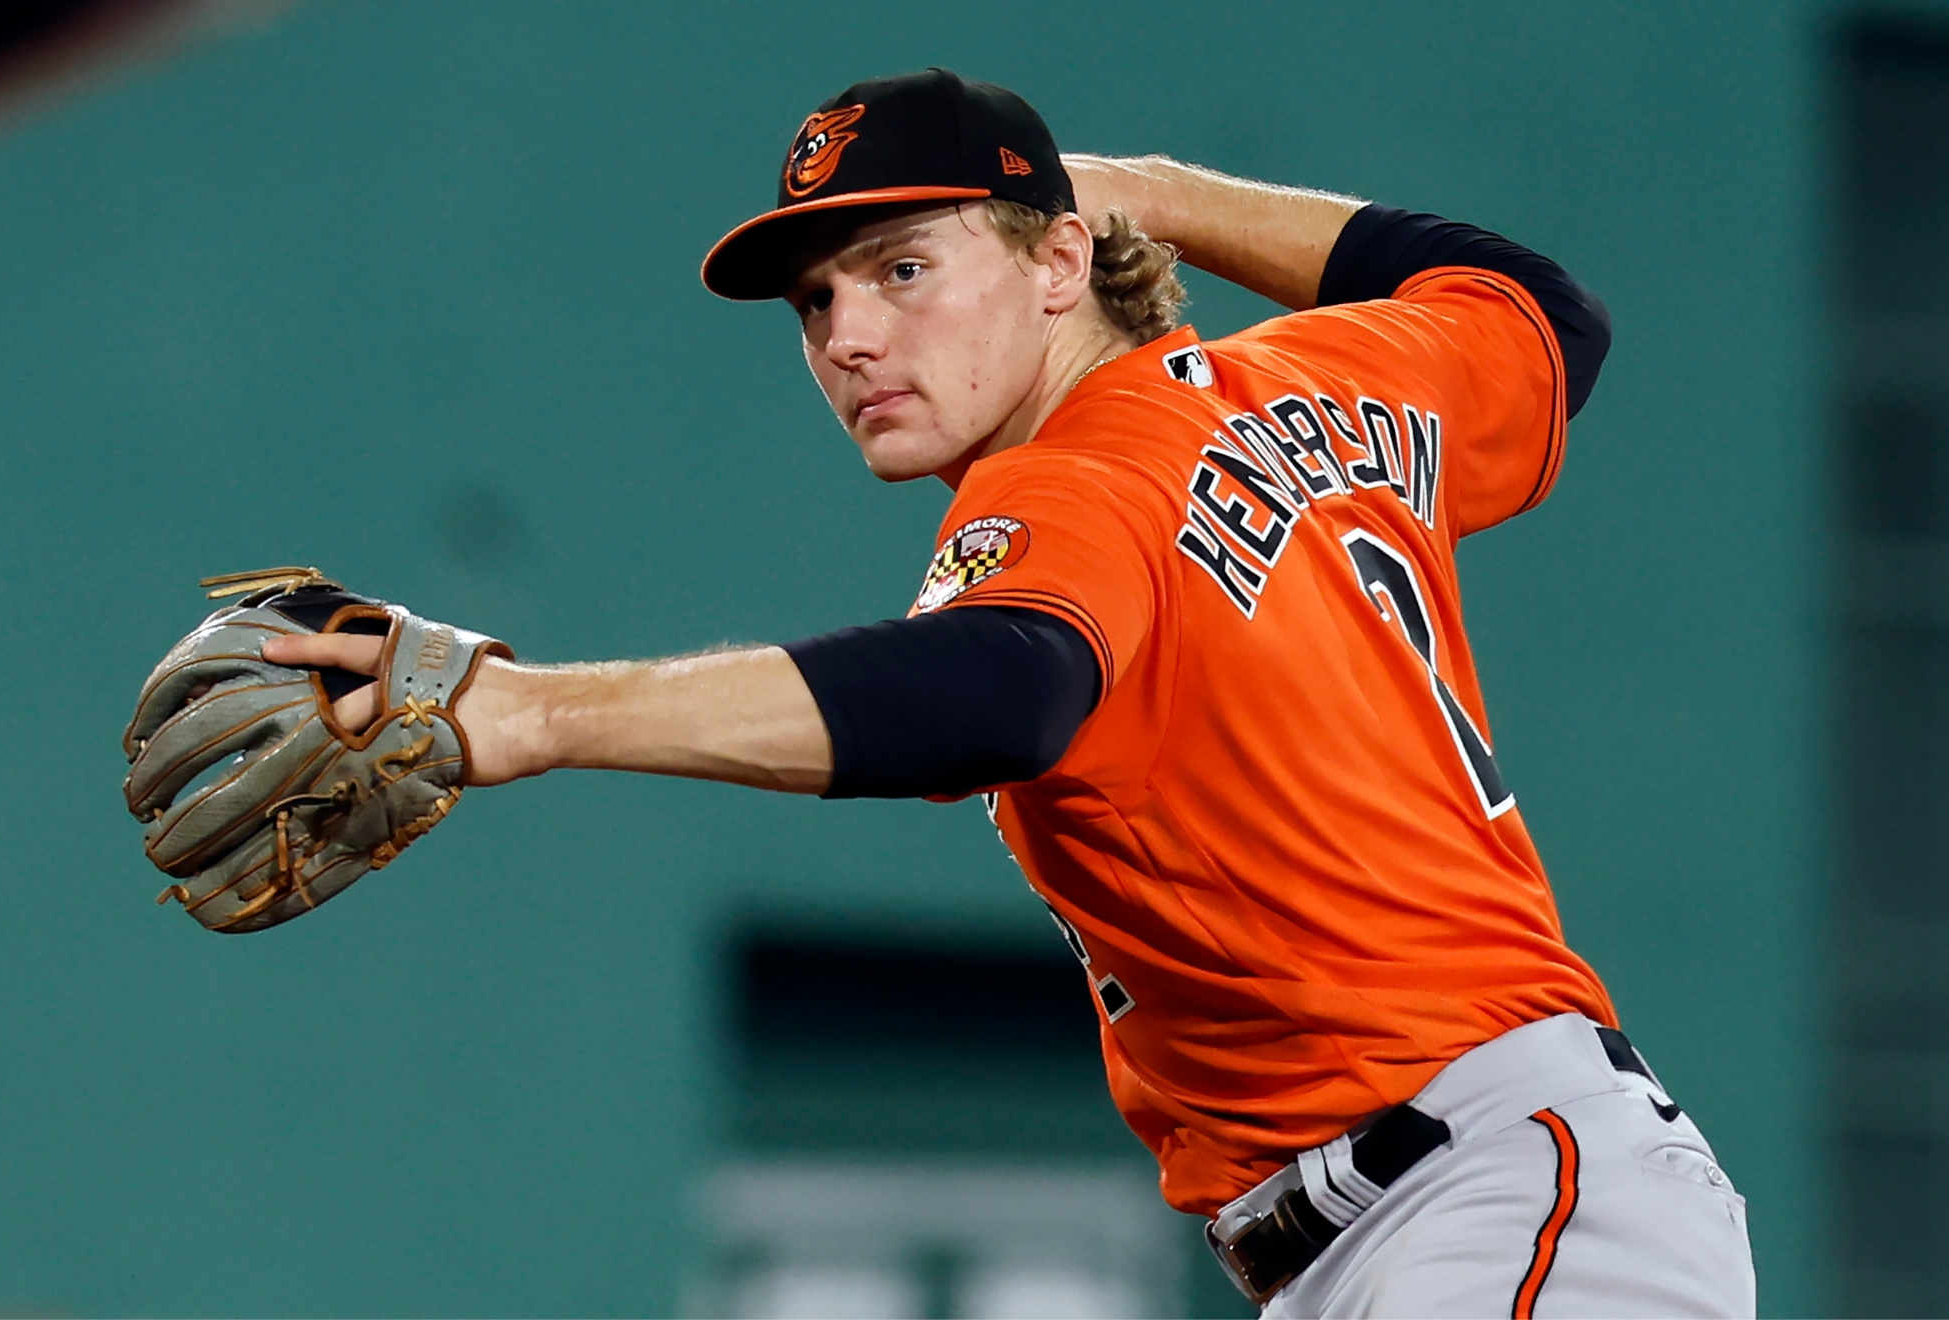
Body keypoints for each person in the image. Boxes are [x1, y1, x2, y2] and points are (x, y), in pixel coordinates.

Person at [267, 69, 1757, 1318]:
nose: (849, 336)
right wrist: (1157, 193)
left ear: (1056, 265)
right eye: (817, 299)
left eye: (905, 268)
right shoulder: (1332, 376)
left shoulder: (1076, 482)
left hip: (1497, 1200)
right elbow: (1538, 312)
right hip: (1506, 1199)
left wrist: (533, 716)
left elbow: (996, 687)